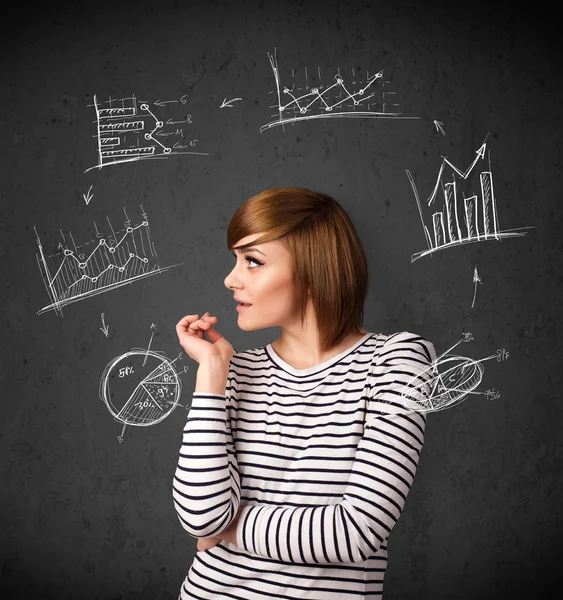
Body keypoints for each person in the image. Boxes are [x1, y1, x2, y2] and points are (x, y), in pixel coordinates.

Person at [173, 187, 436, 599]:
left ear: (314, 272)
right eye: (235, 261)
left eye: (252, 262)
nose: (230, 279)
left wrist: (231, 528)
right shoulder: (232, 371)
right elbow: (201, 518)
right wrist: (210, 371)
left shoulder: (395, 361)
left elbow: (354, 532)